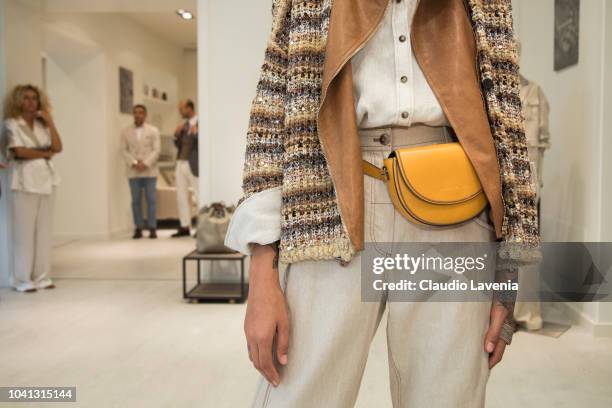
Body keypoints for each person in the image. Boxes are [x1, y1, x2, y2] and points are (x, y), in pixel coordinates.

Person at [224, 0, 541, 407]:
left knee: (447, 397)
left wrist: (506, 276)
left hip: (453, 197)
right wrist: (262, 274)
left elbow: (506, 121)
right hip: (330, 200)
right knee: (299, 394)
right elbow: (272, 113)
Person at [2, 84, 62, 293]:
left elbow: (58, 147)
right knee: (23, 232)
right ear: (18, 101)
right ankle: (22, 279)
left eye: (34, 98)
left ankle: (42, 276)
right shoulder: (11, 124)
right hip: (24, 181)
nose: (30, 102)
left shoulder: (42, 124)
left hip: (47, 180)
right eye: (26, 98)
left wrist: (50, 122)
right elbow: (19, 152)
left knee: (44, 232)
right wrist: (45, 153)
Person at [120, 104, 161, 239]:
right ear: (133, 114)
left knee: (151, 200)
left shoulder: (153, 130)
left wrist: (146, 163)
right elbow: (123, 150)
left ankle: (152, 227)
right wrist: (134, 162)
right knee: (135, 200)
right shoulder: (125, 131)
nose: (138, 115)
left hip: (149, 170)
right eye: (136, 112)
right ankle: (138, 227)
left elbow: (157, 149)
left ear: (145, 115)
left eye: (141, 112)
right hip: (134, 171)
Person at [172, 99, 199, 237]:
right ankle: (184, 226)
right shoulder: (183, 125)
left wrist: (196, 133)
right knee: (181, 195)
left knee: (198, 195)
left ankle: (202, 227)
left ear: (189, 108)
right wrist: (176, 134)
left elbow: (203, 142)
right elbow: (178, 144)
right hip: (180, 162)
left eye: (181, 108)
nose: (179, 111)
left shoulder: (201, 122)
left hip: (193, 163)